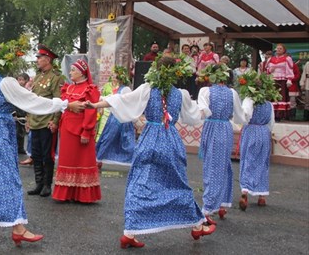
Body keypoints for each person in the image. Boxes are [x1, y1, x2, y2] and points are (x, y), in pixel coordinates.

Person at [0, 37, 84, 246]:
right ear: (7, 62)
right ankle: (18, 228)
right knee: (8, 177)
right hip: (0, 131)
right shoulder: (6, 82)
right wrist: (64, 104)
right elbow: (31, 101)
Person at [84, 55, 215, 248]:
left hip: (149, 139)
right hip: (170, 140)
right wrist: (207, 109)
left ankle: (129, 232)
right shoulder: (181, 94)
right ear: (174, 73)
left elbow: (121, 100)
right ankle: (197, 226)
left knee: (139, 183)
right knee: (177, 184)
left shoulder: (147, 89)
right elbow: (195, 115)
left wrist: (95, 105)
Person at [196, 63, 251, 224]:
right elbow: (240, 116)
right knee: (223, 165)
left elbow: (203, 110)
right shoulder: (232, 93)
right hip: (225, 128)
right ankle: (222, 203)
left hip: (212, 126)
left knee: (211, 166)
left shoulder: (205, 91)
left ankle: (208, 207)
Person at [52, 59, 101, 203]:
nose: (71, 72)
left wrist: (86, 131)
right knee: (67, 160)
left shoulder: (89, 89)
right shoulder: (68, 88)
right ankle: (67, 193)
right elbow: (62, 107)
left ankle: (83, 194)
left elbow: (91, 111)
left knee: (82, 160)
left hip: (80, 130)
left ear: (81, 73)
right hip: (67, 130)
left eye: (73, 70)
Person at [26, 44, 65, 198]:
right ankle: (38, 183)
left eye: (39, 58)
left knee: (46, 154)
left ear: (47, 59)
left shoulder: (56, 77)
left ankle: (47, 184)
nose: (37, 60)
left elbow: (58, 101)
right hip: (35, 120)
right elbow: (32, 99)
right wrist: (28, 118)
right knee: (35, 154)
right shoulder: (38, 77)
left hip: (47, 121)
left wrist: (55, 121)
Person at [237, 71, 278, 211]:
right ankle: (261, 195)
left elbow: (245, 116)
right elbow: (271, 123)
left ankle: (245, 191)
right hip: (264, 132)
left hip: (251, 131)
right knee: (262, 162)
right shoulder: (269, 104)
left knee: (248, 160)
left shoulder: (249, 100)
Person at [95, 66, 136, 167]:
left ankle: (133, 161)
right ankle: (98, 160)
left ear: (121, 78)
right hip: (112, 117)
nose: (114, 77)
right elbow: (108, 98)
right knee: (106, 138)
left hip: (122, 118)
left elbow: (126, 102)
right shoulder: (108, 86)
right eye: (113, 75)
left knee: (127, 141)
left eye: (116, 76)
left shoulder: (125, 89)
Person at [267, 43, 294, 121]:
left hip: (282, 79)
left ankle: (279, 115)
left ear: (284, 50)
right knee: (272, 97)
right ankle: (272, 114)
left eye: (280, 49)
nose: (278, 50)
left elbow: (289, 69)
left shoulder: (287, 58)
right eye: (277, 48)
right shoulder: (271, 59)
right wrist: (270, 70)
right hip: (272, 80)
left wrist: (289, 79)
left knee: (281, 97)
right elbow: (267, 71)